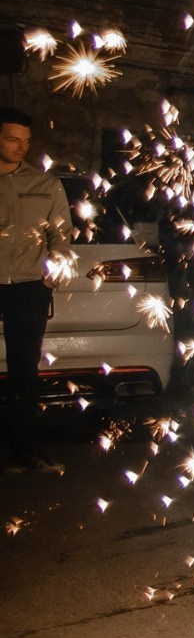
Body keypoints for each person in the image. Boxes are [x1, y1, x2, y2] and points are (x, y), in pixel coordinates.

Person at [0, 107, 72, 474]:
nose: (21, 147)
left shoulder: (44, 184)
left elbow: (61, 234)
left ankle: (22, 451)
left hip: (28, 288)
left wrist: (52, 274)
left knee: (24, 372)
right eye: (13, 139)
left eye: (26, 141)